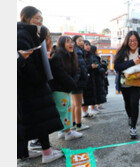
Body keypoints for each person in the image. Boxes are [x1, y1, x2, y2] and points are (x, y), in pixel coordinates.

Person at [17, 6, 64, 163]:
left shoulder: (27, 32)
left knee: (30, 118)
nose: (40, 22)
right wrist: (38, 78)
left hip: (28, 86)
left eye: (41, 19)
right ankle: (47, 152)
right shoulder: (22, 34)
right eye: (37, 18)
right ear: (26, 18)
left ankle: (25, 152)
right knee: (41, 118)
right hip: (32, 85)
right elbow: (26, 61)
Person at [114, 31, 140, 139]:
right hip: (124, 83)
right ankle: (130, 116)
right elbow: (117, 67)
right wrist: (133, 62)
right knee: (127, 103)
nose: (132, 42)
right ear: (127, 41)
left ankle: (133, 127)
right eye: (130, 40)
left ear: (138, 41)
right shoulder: (122, 51)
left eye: (135, 40)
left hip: (137, 83)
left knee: (134, 103)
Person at [49, 36, 84, 139]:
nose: (71, 44)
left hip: (66, 88)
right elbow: (61, 75)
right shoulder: (58, 57)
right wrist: (72, 83)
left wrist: (73, 82)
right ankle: (68, 133)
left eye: (72, 42)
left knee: (66, 110)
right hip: (60, 89)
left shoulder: (70, 55)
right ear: (61, 44)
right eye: (68, 42)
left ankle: (63, 131)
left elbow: (77, 71)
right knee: (63, 111)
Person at [72, 35, 90, 125]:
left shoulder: (75, 51)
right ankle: (79, 124)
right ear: (75, 42)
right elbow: (80, 68)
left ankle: (74, 123)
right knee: (78, 104)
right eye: (79, 40)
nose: (82, 42)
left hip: (74, 81)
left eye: (83, 41)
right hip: (78, 81)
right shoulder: (78, 52)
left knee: (74, 104)